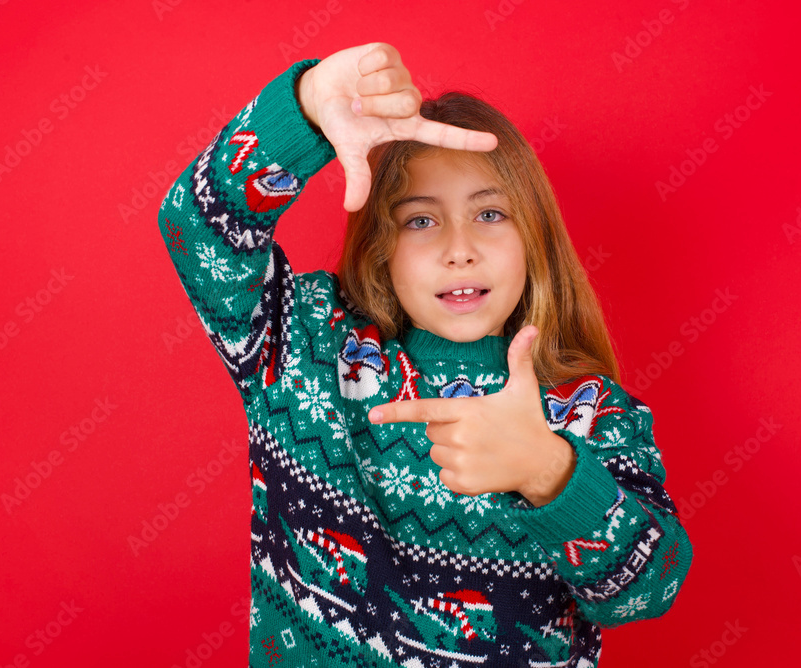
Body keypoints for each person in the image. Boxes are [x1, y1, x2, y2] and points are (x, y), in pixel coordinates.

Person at [158, 41, 692, 668]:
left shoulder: (590, 413)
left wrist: (550, 472)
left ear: (535, 238)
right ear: (381, 246)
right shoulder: (304, 342)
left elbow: (649, 588)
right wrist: (304, 112)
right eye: (420, 220)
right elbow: (195, 228)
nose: (459, 249)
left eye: (489, 213)